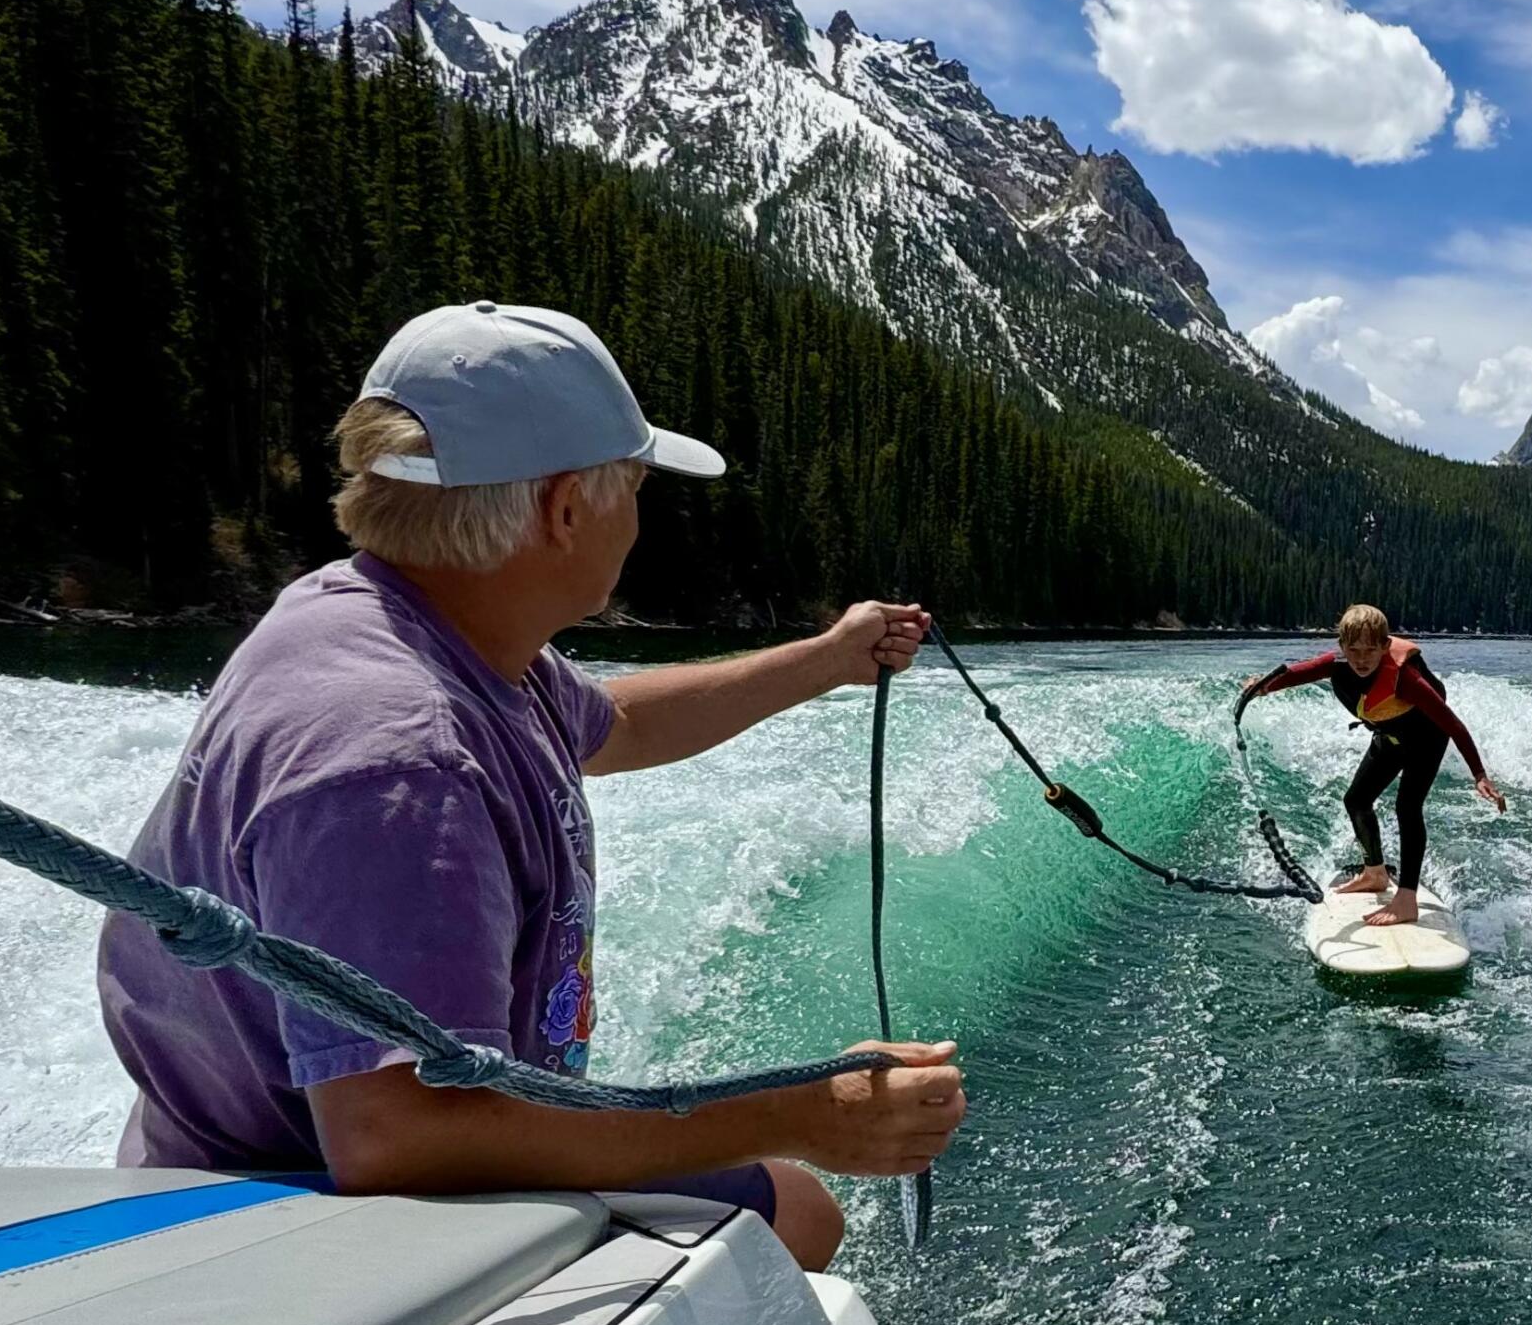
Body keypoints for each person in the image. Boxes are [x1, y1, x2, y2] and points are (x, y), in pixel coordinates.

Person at [96, 300, 965, 1272]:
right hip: (292, 1228)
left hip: (288, 1166)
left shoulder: (396, 619)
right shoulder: (400, 763)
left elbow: (618, 723)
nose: (639, 513)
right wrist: (797, 1114)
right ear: (564, 511)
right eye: (633, 485)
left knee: (790, 1205)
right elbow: (397, 1136)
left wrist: (826, 660)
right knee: (796, 1213)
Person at [1239, 604, 1504, 927]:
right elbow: (1297, 673)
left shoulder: (1406, 680)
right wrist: (1263, 687)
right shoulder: (1336, 666)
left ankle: (1406, 898)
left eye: (1370, 650)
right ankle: (1375, 873)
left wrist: (1479, 774)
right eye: (1353, 650)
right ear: (1342, 647)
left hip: (1426, 741)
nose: (1361, 658)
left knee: (1407, 807)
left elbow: (1453, 724)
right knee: (1356, 800)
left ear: (1384, 647)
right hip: (1389, 736)